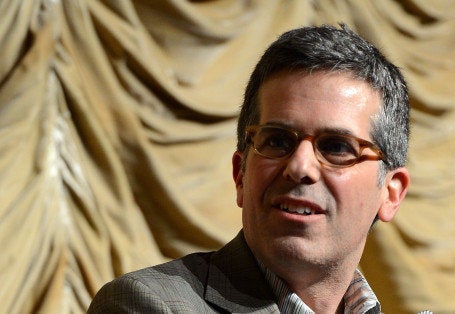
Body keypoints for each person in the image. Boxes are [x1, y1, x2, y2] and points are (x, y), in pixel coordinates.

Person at [88, 24, 411, 314]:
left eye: (337, 147)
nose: (300, 166)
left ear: (390, 193)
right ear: (241, 174)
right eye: (277, 141)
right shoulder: (146, 304)